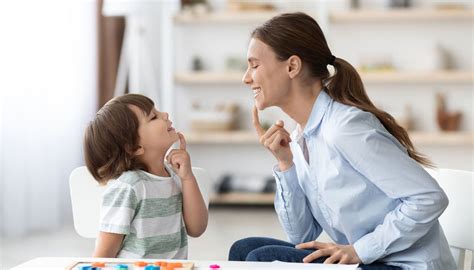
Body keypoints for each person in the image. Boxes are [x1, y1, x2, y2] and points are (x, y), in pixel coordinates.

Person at [229, 12, 456, 270]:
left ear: (292, 66)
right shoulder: (300, 137)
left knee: (259, 259)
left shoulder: (345, 128)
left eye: (254, 65)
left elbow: (429, 197)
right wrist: (286, 165)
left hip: (404, 265)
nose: (246, 77)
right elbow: (301, 236)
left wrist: (360, 250)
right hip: (373, 262)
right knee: (244, 249)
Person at [83, 94, 208, 259]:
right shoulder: (128, 187)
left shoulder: (174, 175)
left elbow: (197, 228)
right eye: (153, 116)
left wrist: (187, 178)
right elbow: (104, 254)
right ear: (134, 147)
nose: (165, 115)